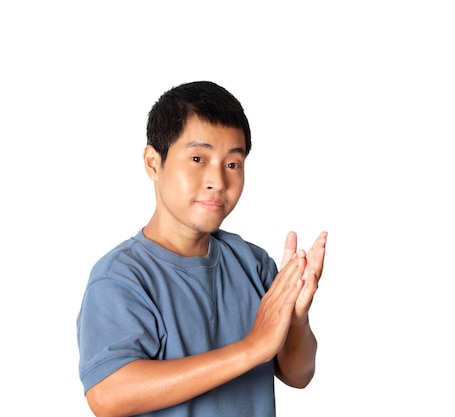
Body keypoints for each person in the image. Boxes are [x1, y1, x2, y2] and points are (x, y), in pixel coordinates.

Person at [76, 80, 328, 417]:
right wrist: (250, 349)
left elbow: (298, 375)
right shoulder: (122, 278)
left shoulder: (253, 264)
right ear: (153, 162)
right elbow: (107, 395)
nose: (218, 181)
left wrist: (296, 316)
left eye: (232, 164)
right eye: (198, 158)